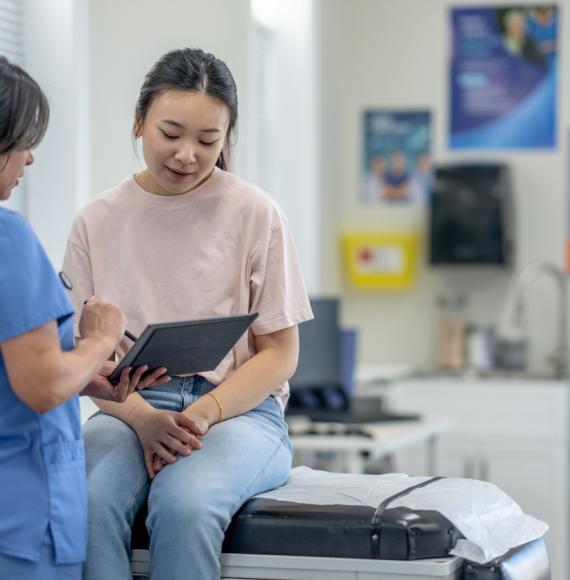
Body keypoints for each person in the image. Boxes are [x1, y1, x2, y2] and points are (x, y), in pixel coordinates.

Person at [62, 47, 313, 580]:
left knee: (184, 505)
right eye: (170, 134)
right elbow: (79, 360)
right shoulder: (96, 221)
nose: (186, 155)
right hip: (126, 410)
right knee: (82, 503)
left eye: (207, 141)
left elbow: (280, 355)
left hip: (238, 412)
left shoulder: (256, 213)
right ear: (139, 122)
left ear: (226, 140)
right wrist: (145, 419)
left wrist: (201, 414)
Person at [0, 57, 155, 580]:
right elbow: (42, 386)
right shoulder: (8, 239)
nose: (29, 160)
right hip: (19, 523)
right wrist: (98, 340)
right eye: (24, 143)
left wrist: (84, 378)